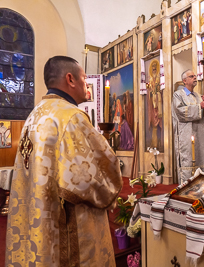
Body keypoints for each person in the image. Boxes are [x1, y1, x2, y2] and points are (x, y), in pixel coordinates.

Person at [5, 56, 123, 266]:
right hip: (67, 226)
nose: (87, 85)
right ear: (70, 79)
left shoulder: (35, 115)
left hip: (39, 215)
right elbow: (89, 178)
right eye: (84, 79)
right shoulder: (71, 116)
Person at [172, 70, 204, 183]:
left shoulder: (198, 96)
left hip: (201, 135)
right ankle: (187, 191)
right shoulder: (178, 95)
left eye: (195, 76)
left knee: (203, 160)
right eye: (191, 76)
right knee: (189, 162)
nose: (195, 77)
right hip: (187, 135)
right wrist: (199, 107)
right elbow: (180, 112)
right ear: (184, 81)